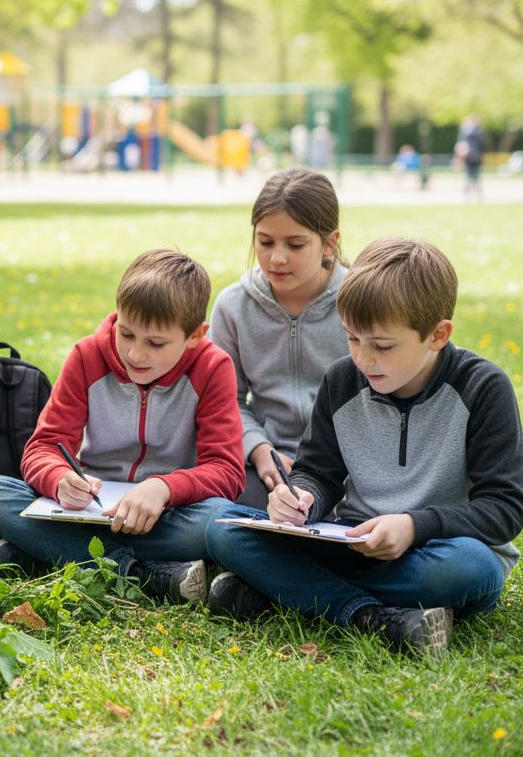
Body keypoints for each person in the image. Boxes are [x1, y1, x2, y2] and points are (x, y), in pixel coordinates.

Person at [205, 239, 523, 655]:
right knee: (223, 528)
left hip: (434, 553)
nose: (363, 359)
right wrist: (302, 499)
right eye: (352, 339)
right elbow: (317, 472)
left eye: (382, 345)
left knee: (473, 569)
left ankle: (285, 590)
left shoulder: (483, 388)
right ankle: (372, 617)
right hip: (350, 543)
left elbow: (504, 509)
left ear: (437, 335)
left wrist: (414, 525)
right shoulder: (341, 381)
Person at [0, 249, 244, 604]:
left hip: (165, 516)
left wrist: (164, 487)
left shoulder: (213, 368)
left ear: (195, 335)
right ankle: (141, 574)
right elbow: (45, 446)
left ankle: (49, 554)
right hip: (88, 513)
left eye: (155, 343)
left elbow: (227, 471)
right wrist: (59, 480)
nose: (135, 355)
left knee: (221, 521)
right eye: (126, 334)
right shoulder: (87, 356)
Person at [208, 168, 348, 509]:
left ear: (330, 242)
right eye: (265, 242)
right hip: (267, 467)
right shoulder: (233, 306)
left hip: (347, 469)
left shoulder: (362, 302)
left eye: (295, 244)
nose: (277, 258)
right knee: (217, 512)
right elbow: (224, 399)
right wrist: (258, 449)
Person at [455, 115, 485, 201]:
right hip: (471, 157)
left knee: (473, 176)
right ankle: (472, 195)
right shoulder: (476, 132)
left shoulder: (467, 133)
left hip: (472, 157)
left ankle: (473, 195)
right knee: (472, 176)